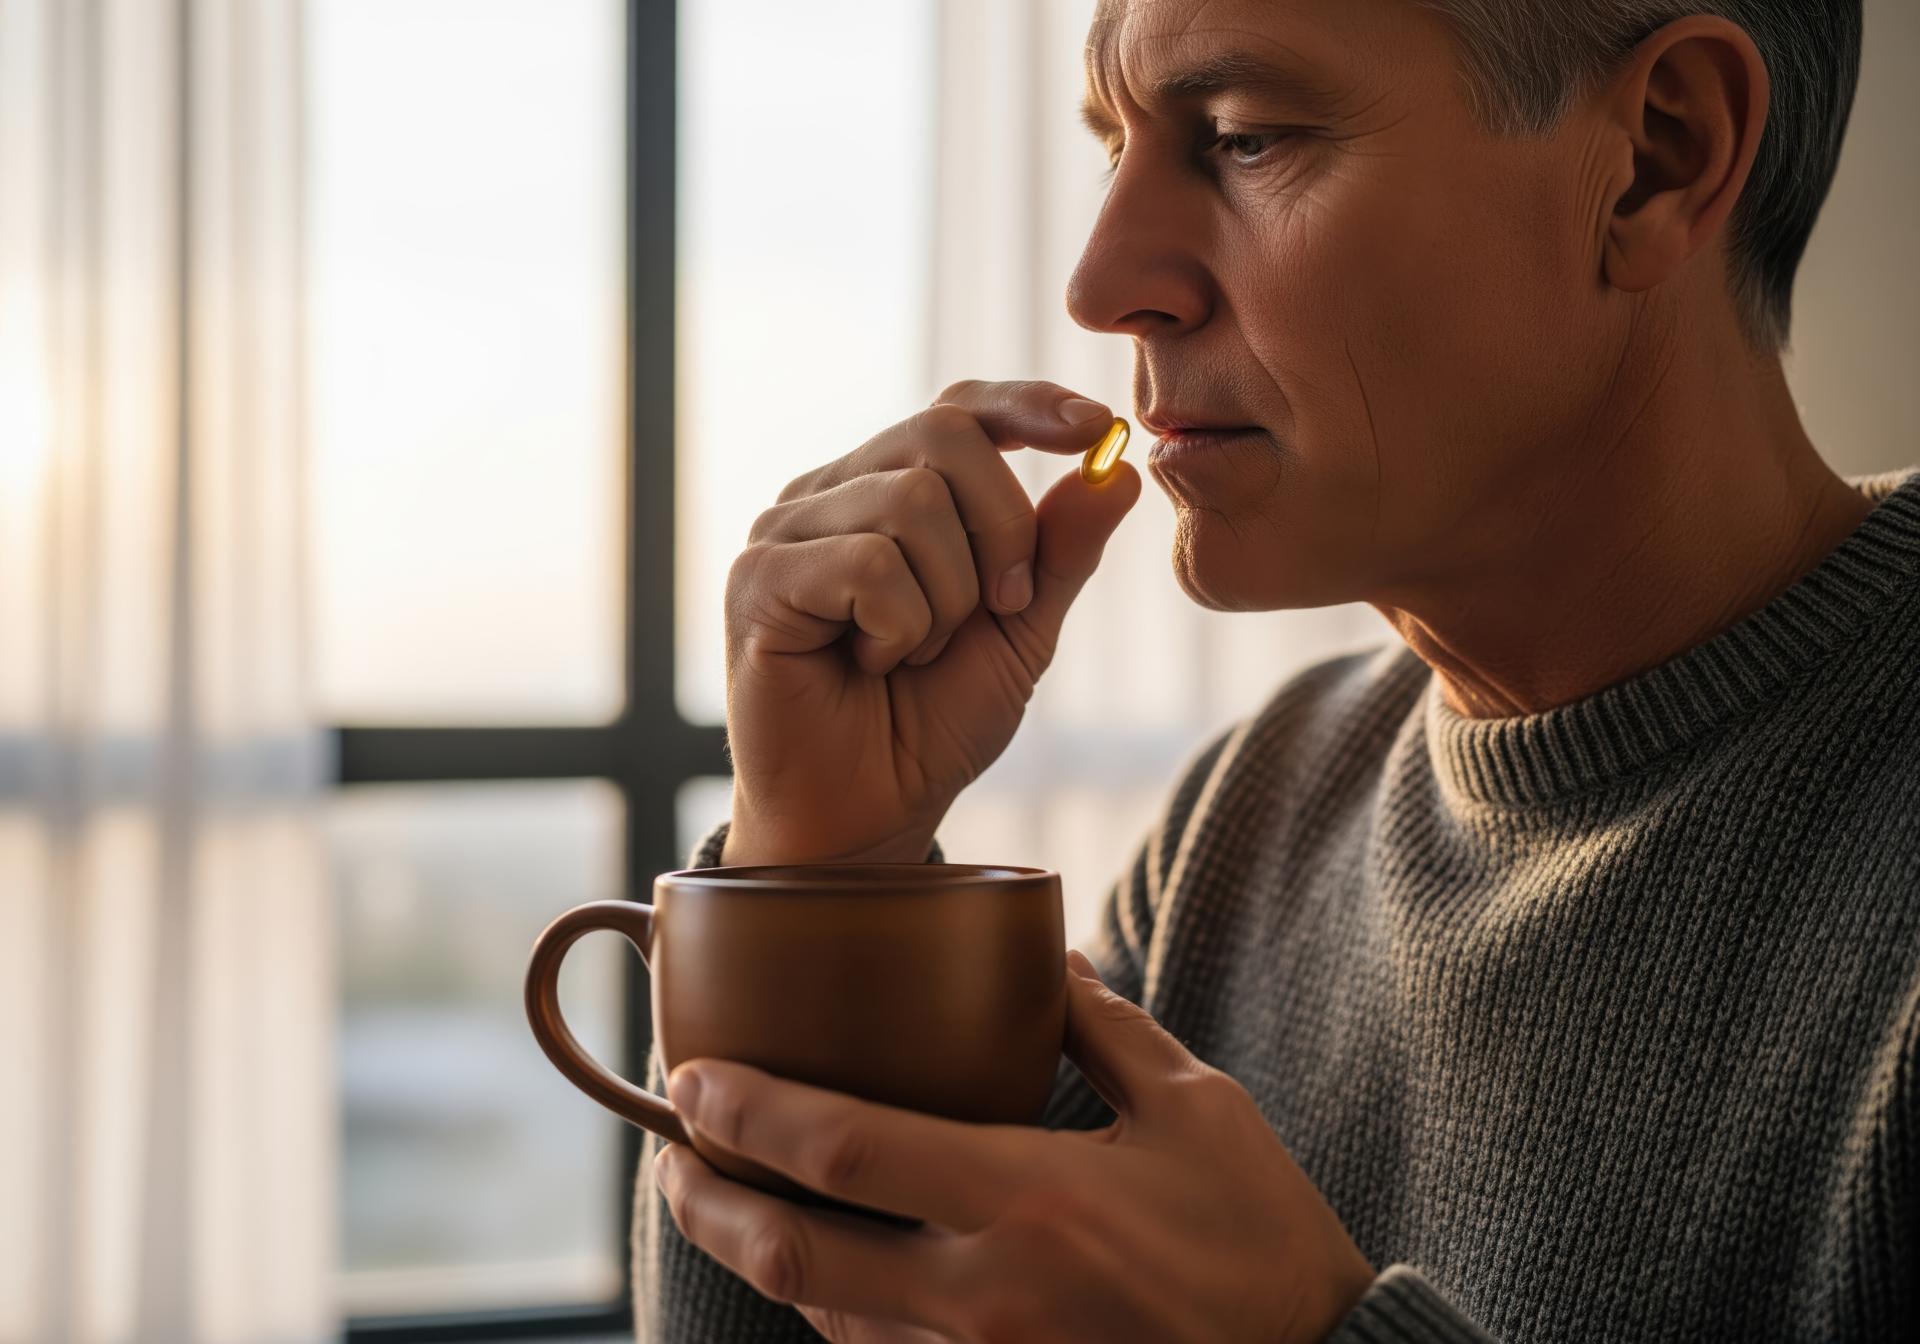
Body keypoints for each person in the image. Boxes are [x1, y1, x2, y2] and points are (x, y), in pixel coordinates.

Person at [637, 0, 1918, 1338]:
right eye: (1112, 149)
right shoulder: (1248, 824)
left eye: (1244, 140)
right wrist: (822, 878)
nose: (1098, 281)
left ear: (1659, 157)